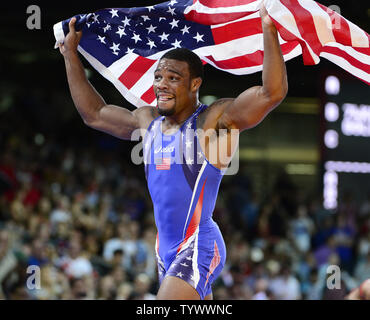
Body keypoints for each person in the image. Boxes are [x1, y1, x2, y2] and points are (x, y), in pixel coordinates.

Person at [58, 4, 288, 300]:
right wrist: (69, 56)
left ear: (195, 84)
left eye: (173, 78)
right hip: (163, 248)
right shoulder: (146, 119)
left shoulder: (214, 120)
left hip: (199, 243)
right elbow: (94, 113)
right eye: (158, 77)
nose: (161, 85)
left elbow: (271, 93)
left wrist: (269, 32)